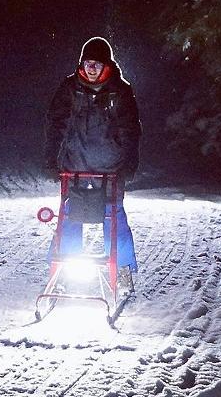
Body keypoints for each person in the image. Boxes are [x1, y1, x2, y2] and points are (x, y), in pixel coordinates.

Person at [44, 37, 142, 292]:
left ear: (105, 64)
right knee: (68, 218)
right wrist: (50, 158)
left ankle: (122, 271)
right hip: (74, 165)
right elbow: (56, 124)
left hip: (110, 168)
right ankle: (63, 271)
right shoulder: (70, 87)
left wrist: (129, 162)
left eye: (96, 64)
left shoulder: (119, 90)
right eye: (87, 63)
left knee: (114, 218)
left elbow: (130, 129)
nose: (91, 68)